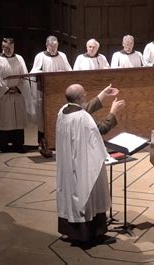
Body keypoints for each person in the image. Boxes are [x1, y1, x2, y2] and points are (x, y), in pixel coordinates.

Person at [56, 83, 125, 246]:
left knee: (72, 194)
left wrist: (102, 94)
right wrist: (113, 112)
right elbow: (102, 128)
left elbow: (84, 109)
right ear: (79, 97)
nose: (86, 95)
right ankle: (92, 234)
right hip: (83, 163)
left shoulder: (63, 110)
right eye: (84, 94)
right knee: (89, 193)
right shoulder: (82, 117)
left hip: (69, 162)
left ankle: (72, 232)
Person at [0, 38, 34, 153]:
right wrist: (6, 89)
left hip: (17, 93)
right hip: (3, 95)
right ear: (2, 47)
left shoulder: (19, 58)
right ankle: (3, 144)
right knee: (4, 118)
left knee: (18, 118)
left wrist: (17, 88)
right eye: (5, 48)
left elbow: (24, 75)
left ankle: (18, 144)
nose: (7, 50)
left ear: (13, 47)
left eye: (10, 48)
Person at [30, 35, 73, 157]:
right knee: (44, 119)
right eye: (51, 46)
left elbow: (69, 71)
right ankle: (43, 143)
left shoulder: (62, 56)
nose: (54, 49)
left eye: (55, 46)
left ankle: (59, 142)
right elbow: (34, 71)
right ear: (46, 45)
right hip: (45, 94)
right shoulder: (41, 56)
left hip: (59, 93)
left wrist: (62, 74)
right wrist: (46, 74)